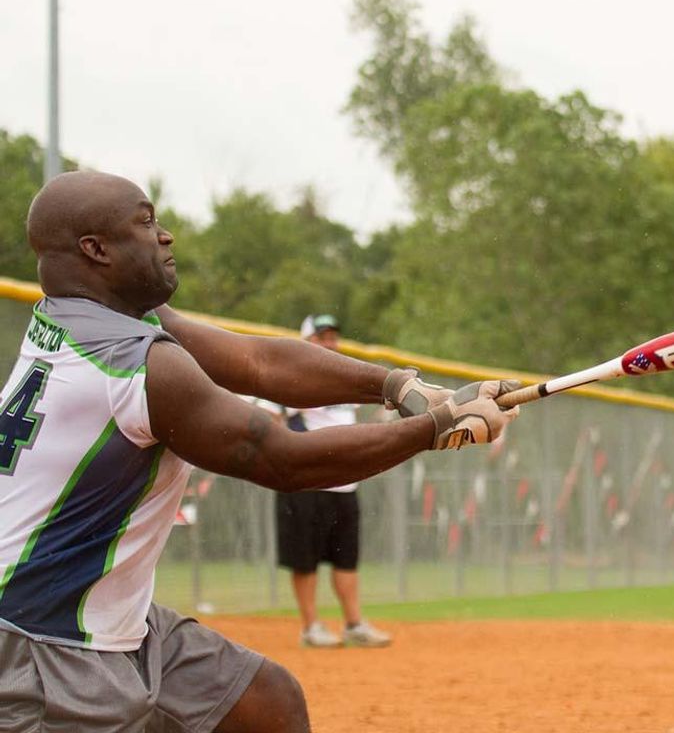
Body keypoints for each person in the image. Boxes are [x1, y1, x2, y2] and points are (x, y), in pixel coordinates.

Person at [0, 170, 519, 733]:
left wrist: (396, 386)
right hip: (40, 644)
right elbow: (284, 460)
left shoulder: (82, 316)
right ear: (96, 250)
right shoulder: (136, 364)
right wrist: (436, 429)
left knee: (264, 703)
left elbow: (258, 363)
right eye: (147, 222)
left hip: (101, 618)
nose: (166, 235)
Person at [277, 313, 390, 648]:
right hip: (306, 482)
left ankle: (354, 623)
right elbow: (270, 415)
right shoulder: (291, 376)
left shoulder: (344, 376)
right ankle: (311, 627)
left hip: (344, 483)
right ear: (307, 340)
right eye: (322, 336)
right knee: (305, 558)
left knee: (346, 557)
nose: (330, 342)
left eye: (332, 337)